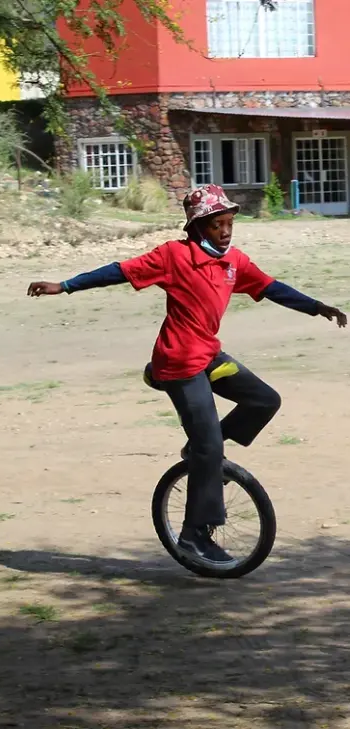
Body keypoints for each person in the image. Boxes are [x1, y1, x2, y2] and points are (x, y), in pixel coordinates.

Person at [27, 183, 347, 569]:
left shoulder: (234, 263)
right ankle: (195, 535)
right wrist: (64, 286)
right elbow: (119, 271)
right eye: (216, 225)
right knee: (210, 446)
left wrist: (316, 307)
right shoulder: (174, 256)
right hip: (178, 364)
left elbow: (271, 287)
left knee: (264, 400)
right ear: (198, 227)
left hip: (208, 356)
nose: (225, 231)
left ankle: (200, 452)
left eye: (229, 223)